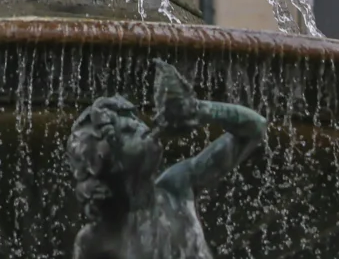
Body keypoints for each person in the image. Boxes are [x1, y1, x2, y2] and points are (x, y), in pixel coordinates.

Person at [66, 63, 266, 259]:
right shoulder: (94, 240)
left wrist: (197, 110)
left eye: (138, 122)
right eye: (127, 131)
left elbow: (256, 128)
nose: (141, 128)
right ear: (107, 164)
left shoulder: (178, 185)